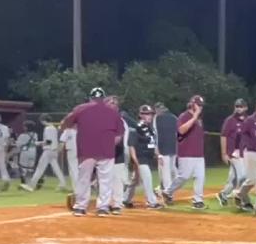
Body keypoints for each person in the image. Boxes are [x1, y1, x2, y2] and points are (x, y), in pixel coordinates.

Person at [61, 87, 123, 216]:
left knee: (84, 179)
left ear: (90, 98)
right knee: (105, 180)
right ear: (103, 98)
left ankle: (80, 207)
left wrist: (70, 125)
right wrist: (109, 145)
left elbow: (66, 122)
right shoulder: (113, 112)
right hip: (106, 151)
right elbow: (119, 135)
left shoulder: (81, 109)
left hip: (86, 149)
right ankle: (103, 208)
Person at [163, 95, 207, 209]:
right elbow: (181, 130)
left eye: (201, 105)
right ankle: (168, 192)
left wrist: (197, 117)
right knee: (184, 177)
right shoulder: (184, 116)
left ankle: (198, 200)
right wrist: (194, 117)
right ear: (192, 104)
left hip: (199, 154)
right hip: (186, 153)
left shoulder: (199, 119)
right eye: (198, 105)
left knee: (200, 176)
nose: (200, 107)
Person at [127, 104, 164, 210]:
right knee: (147, 179)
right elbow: (131, 145)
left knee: (135, 181)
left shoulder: (150, 129)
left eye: (150, 114)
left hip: (147, 158)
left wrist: (158, 155)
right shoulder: (136, 128)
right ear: (141, 115)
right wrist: (135, 161)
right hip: (140, 158)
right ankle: (151, 202)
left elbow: (153, 144)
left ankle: (125, 199)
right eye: (146, 114)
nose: (149, 116)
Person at [216, 98, 250, 208]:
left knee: (234, 179)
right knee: (243, 177)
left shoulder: (248, 120)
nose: (238, 108)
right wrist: (224, 153)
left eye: (241, 106)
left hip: (245, 153)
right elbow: (223, 136)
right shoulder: (230, 120)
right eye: (237, 106)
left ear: (246, 107)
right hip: (234, 153)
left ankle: (223, 194)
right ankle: (243, 201)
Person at [23, 114, 67, 192]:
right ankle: (63, 183)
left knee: (40, 168)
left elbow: (48, 141)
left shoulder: (48, 128)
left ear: (43, 120)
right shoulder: (53, 128)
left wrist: (38, 143)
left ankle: (31, 185)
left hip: (48, 150)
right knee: (56, 168)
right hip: (54, 150)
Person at [153, 102, 178, 194]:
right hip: (173, 147)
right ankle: (164, 188)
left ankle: (167, 192)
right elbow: (178, 134)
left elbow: (155, 134)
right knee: (171, 169)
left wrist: (157, 150)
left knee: (165, 171)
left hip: (163, 148)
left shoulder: (157, 118)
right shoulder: (174, 117)